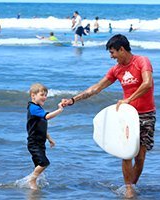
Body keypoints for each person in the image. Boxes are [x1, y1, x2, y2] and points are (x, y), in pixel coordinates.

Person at [59, 34, 154, 198]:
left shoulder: (141, 61)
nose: (111, 56)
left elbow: (147, 83)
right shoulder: (116, 70)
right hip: (126, 116)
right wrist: (73, 100)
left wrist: (129, 99)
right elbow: (96, 88)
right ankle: (129, 189)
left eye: (112, 52)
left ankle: (132, 185)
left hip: (146, 114)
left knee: (140, 157)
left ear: (121, 49)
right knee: (126, 153)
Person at [25, 83, 63, 190]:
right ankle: (31, 180)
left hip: (40, 143)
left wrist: (49, 139)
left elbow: (41, 128)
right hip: (34, 143)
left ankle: (33, 186)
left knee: (39, 165)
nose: (45, 97)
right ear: (33, 95)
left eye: (46, 95)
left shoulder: (38, 109)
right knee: (44, 163)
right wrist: (59, 110)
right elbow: (47, 117)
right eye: (42, 95)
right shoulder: (33, 108)